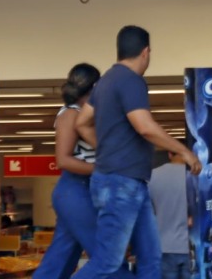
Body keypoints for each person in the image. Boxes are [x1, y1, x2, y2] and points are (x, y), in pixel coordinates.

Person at [72, 25, 201, 279]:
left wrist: (107, 149)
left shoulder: (106, 81)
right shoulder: (131, 80)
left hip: (130, 182)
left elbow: (82, 122)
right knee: (107, 263)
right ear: (146, 52)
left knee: (151, 258)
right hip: (121, 184)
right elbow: (144, 127)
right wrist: (184, 151)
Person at [34, 64, 132, 279]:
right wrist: (105, 168)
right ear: (95, 86)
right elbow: (63, 160)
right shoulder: (71, 114)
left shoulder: (88, 113)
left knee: (61, 258)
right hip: (76, 190)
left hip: (81, 192)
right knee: (109, 255)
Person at [148, 149, 192, 279]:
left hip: (163, 245)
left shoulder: (152, 176)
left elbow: (146, 212)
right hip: (191, 247)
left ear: (169, 154)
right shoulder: (195, 177)